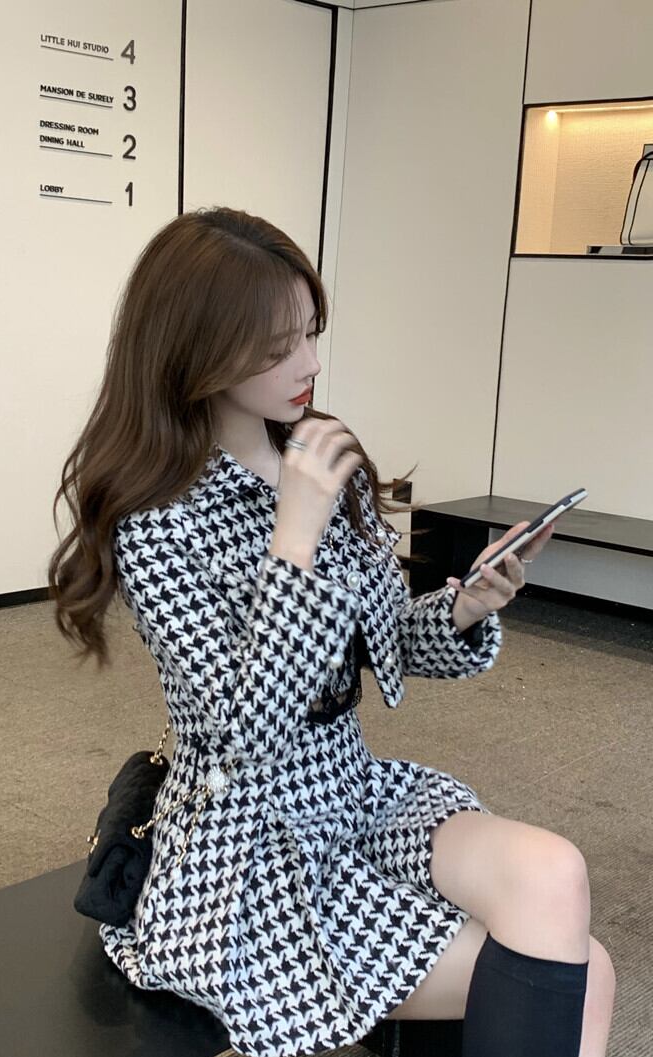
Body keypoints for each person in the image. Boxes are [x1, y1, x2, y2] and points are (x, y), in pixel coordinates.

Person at [48, 206, 615, 1057]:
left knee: (555, 873)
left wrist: (467, 606)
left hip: (356, 794)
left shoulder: (321, 459)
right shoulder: (157, 518)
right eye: (276, 347)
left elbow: (387, 645)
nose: (309, 364)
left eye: (311, 333)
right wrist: (295, 537)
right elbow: (244, 734)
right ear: (198, 351)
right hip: (250, 850)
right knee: (587, 972)